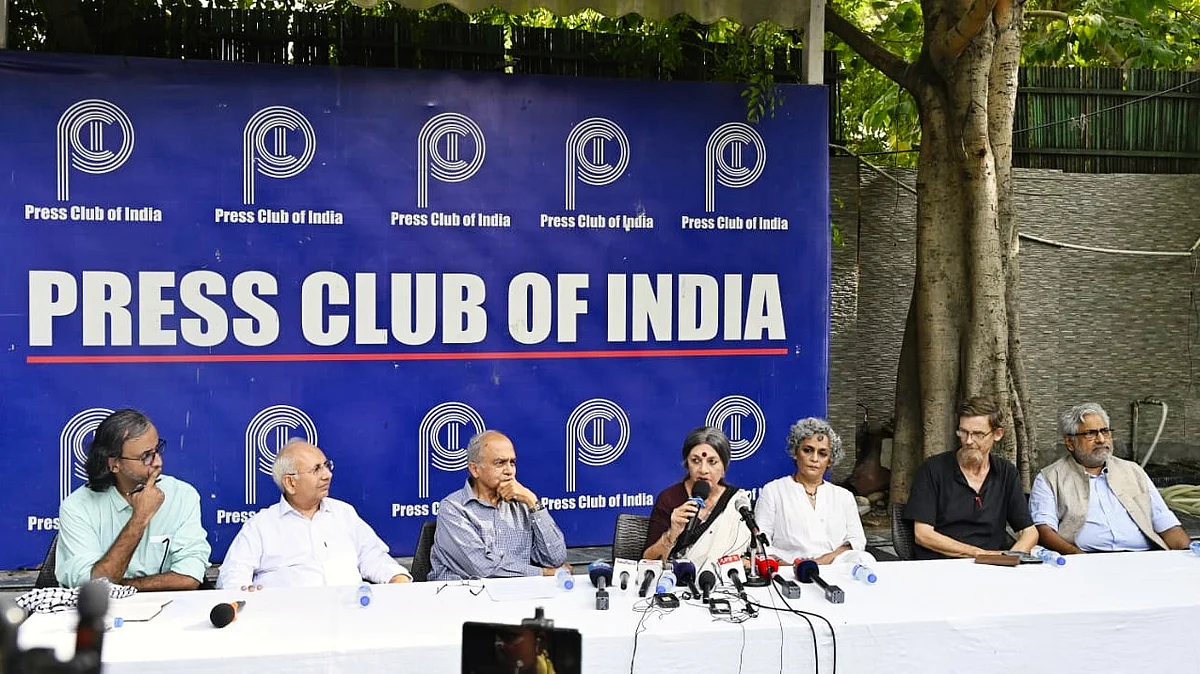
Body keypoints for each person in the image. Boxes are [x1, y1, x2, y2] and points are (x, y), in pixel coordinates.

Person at [217, 439, 411, 589]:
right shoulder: (261, 525)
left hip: (350, 616)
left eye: (326, 465)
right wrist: (245, 593)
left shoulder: (343, 513)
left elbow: (373, 557)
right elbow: (233, 575)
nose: (327, 475)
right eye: (317, 469)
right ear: (290, 483)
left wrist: (396, 576)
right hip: (286, 621)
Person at [56, 409, 210, 590]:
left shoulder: (182, 495)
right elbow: (94, 585)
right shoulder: (77, 507)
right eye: (146, 456)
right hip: (102, 608)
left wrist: (124, 587)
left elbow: (189, 577)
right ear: (114, 464)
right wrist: (140, 518)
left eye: (157, 450)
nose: (158, 462)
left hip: (169, 605)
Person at [1029, 402, 1190, 553]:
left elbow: (1167, 524)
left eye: (1105, 431)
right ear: (1070, 443)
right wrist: (1078, 557)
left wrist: (1189, 554)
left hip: (1142, 556)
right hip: (1086, 559)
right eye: (1090, 433)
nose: (1101, 439)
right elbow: (1044, 530)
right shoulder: (1050, 478)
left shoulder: (1133, 471)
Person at [905, 395, 1037, 559]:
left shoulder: (1006, 473)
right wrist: (979, 554)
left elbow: (1029, 531)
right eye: (963, 432)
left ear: (997, 434)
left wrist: (1011, 557)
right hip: (942, 564)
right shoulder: (933, 470)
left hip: (992, 565)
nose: (968, 441)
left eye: (978, 434)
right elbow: (923, 535)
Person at [430, 430, 568, 581]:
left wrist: (533, 502)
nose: (509, 471)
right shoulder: (453, 508)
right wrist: (544, 573)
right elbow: (482, 568)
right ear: (475, 469)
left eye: (512, 463)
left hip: (519, 592)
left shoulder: (523, 504)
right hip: (464, 593)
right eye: (500, 463)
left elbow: (555, 559)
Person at [755, 417, 873, 565]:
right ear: (795, 452)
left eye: (822, 453)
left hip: (834, 566)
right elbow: (760, 541)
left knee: (864, 558)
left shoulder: (843, 496)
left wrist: (821, 562)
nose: (814, 458)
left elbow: (856, 540)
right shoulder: (773, 491)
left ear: (830, 460)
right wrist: (791, 566)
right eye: (808, 450)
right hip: (788, 568)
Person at [642, 426, 752, 569]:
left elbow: (750, 554)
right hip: (678, 579)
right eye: (695, 460)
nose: (703, 470)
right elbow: (648, 562)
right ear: (687, 464)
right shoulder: (670, 498)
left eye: (712, 462)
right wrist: (672, 533)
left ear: (724, 467)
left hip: (725, 579)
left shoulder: (737, 501)